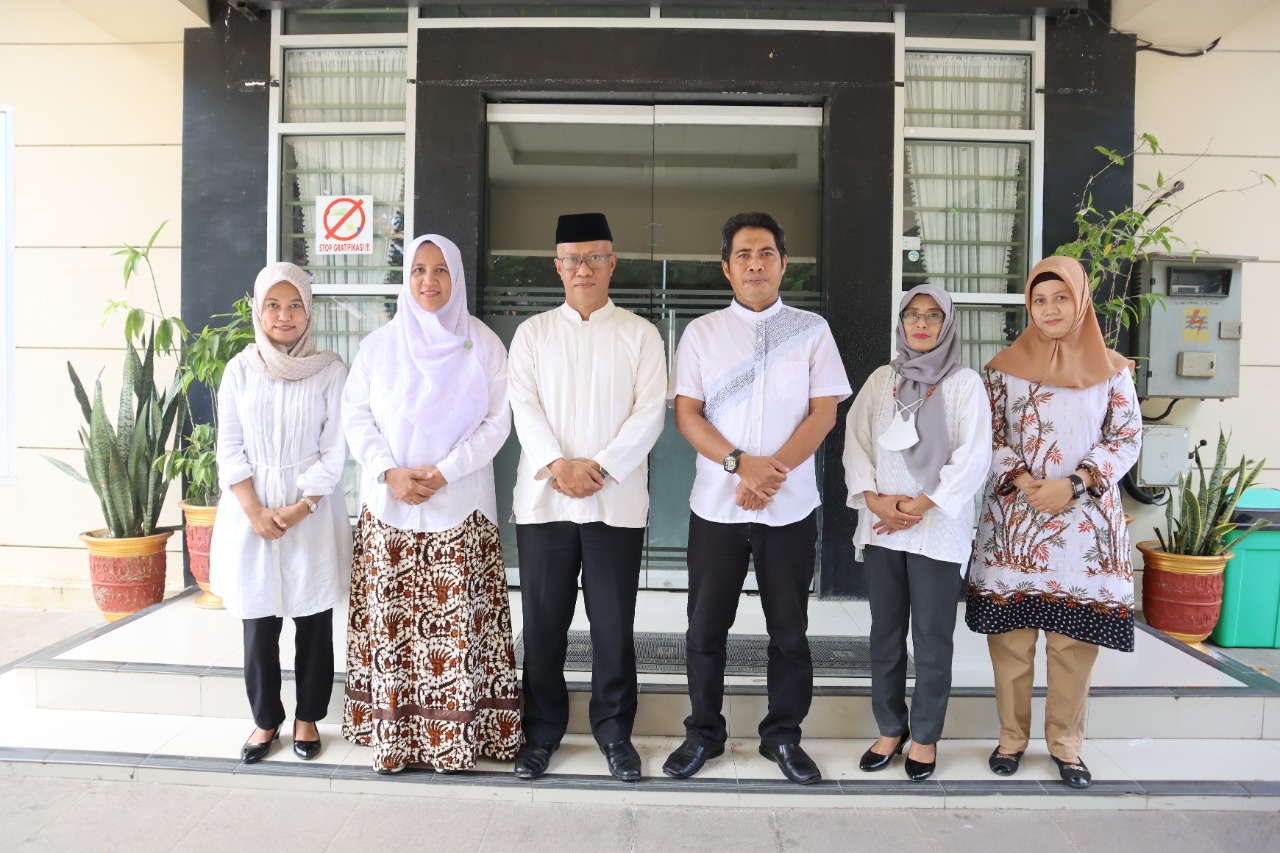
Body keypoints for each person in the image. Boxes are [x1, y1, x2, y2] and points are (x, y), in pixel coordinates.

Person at [664, 212, 851, 785]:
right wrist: (740, 465)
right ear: (726, 267)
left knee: (789, 631)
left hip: (789, 507)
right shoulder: (702, 333)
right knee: (704, 629)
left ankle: (783, 737)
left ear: (783, 264)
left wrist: (772, 474)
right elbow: (687, 415)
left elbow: (824, 412)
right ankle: (703, 734)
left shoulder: (812, 330)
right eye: (743, 255)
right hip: (716, 506)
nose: (755, 264)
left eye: (766, 253)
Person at [341, 233, 522, 774]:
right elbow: (356, 417)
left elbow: (498, 422)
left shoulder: (483, 345)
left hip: (460, 510)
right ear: (407, 277)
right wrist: (388, 472)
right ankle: (395, 738)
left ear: (456, 277)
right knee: (393, 629)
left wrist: (445, 472)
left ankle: (455, 741)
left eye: (440, 269)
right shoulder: (378, 347)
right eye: (419, 269)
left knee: (456, 630)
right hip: (390, 510)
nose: (429, 280)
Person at [966, 256, 1141, 789]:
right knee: (1012, 643)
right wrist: (1024, 481)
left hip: (1084, 525)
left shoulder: (1113, 371)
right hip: (1016, 523)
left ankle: (1066, 746)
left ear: (1080, 301)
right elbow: (988, 436)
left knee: (1072, 645)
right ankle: (1011, 739)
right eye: (1039, 300)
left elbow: (1126, 437)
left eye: (1060, 298)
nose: (1049, 309)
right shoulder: (1001, 371)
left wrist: (1075, 484)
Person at [507, 212, 667, 782]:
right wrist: (558, 465)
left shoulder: (640, 335)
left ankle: (615, 734)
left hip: (613, 503)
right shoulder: (532, 334)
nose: (583, 269)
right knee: (543, 625)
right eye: (573, 259)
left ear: (611, 263)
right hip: (545, 504)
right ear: (558, 266)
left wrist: (598, 468)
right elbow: (523, 406)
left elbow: (650, 414)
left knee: (613, 627)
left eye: (594, 257)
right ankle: (541, 734)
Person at [841, 284, 991, 782]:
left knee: (931, 639)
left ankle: (924, 736)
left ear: (947, 324)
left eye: (932, 316)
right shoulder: (882, 379)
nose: (921, 324)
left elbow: (974, 456)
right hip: (883, 528)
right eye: (912, 315)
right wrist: (874, 499)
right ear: (901, 323)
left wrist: (921, 504)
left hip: (938, 531)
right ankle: (890, 728)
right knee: (884, 635)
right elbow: (856, 443)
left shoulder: (964, 383)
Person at [210, 262, 351, 764]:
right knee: (258, 620)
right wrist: (253, 510)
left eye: (294, 305)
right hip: (250, 506)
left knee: (313, 619)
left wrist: (300, 507)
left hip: (311, 509)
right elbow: (229, 446)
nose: (284, 315)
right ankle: (265, 719)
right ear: (259, 310)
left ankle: (308, 717)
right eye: (273, 304)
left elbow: (335, 449)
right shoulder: (239, 369)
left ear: (308, 311)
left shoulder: (330, 371)